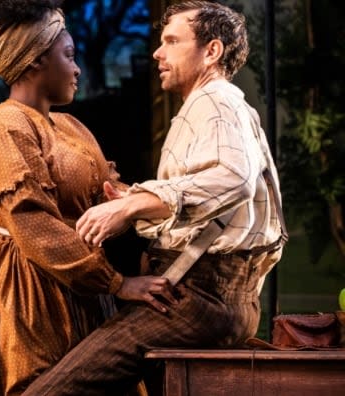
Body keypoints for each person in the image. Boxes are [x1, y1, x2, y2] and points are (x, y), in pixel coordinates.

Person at [21, 1, 288, 394]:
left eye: (172, 41)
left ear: (211, 51)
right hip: (211, 296)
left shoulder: (214, 101)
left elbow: (233, 179)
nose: (157, 53)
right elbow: (209, 199)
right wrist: (137, 198)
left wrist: (131, 205)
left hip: (200, 299)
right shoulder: (216, 104)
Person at [0, 1, 170, 395]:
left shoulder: (69, 125)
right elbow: (34, 224)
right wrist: (117, 283)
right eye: (68, 56)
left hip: (78, 287)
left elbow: (112, 197)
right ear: (33, 61)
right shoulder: (5, 125)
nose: (77, 68)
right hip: (27, 289)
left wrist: (159, 203)